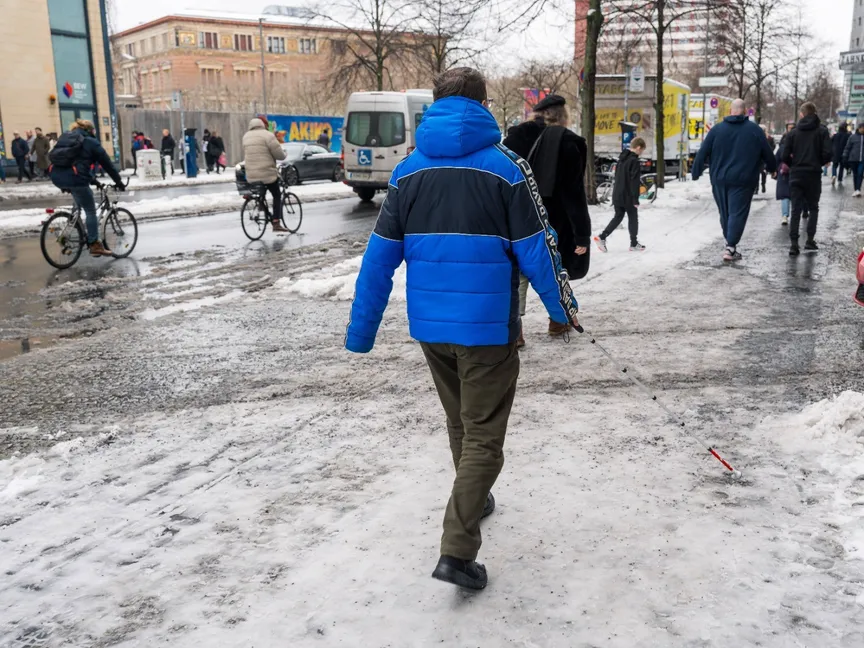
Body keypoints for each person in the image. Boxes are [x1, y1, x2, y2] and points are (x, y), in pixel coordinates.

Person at [345, 67, 580, 591]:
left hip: (432, 328)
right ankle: (457, 550)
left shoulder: (407, 172)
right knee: (484, 437)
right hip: (488, 328)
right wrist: (562, 307)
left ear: (436, 104)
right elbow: (538, 248)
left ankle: (475, 497)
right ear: (483, 104)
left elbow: (378, 258)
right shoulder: (507, 168)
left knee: (460, 420)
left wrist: (362, 329)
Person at [503, 95, 591, 344]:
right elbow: (574, 194)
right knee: (554, 270)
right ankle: (559, 320)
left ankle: (515, 332)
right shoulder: (569, 143)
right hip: (553, 221)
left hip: (516, 217)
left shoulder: (513, 139)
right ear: (563, 116)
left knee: (517, 273)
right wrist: (581, 234)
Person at [692, 98, 777, 262]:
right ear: (745, 111)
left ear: (730, 111)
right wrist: (773, 168)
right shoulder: (754, 130)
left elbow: (703, 152)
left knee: (725, 212)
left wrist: (696, 172)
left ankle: (730, 244)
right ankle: (730, 246)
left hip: (719, 179)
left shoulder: (717, 130)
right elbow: (767, 153)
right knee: (737, 213)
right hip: (743, 179)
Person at [49, 118, 125, 257]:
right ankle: (94, 244)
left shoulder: (68, 139)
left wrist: (93, 180)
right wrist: (118, 181)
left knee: (78, 205)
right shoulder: (90, 142)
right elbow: (107, 164)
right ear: (90, 130)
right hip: (76, 179)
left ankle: (68, 234)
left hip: (59, 177)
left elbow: (79, 164)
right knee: (90, 210)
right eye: (93, 130)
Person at [782, 101, 832, 256]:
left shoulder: (793, 133)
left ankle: (794, 244)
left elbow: (784, 155)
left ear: (802, 114)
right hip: (813, 174)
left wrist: (793, 164)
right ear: (815, 113)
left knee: (795, 209)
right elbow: (828, 153)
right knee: (813, 208)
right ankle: (810, 240)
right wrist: (818, 162)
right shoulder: (822, 131)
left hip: (796, 174)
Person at [595, 137, 647, 252]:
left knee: (618, 216)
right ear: (638, 148)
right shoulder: (634, 161)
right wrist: (635, 199)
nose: (641, 153)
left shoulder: (621, 159)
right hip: (628, 196)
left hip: (617, 194)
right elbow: (634, 181)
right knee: (633, 217)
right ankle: (633, 244)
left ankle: (602, 237)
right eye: (642, 150)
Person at [242, 117, 288, 232]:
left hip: (251, 174)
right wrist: (284, 154)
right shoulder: (268, 135)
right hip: (267, 173)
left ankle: (261, 205)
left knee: (261, 192)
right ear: (264, 125)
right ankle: (276, 222)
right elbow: (279, 155)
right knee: (276, 194)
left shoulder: (246, 136)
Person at [842, 121, 864, 197]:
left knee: (860, 174)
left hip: (862, 160)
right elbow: (847, 147)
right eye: (862, 128)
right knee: (855, 174)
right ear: (859, 128)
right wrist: (845, 156)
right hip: (853, 159)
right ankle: (855, 189)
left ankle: (858, 190)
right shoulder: (852, 137)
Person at [757, 126, 775, 194]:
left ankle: (763, 185)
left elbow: (773, 146)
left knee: (763, 172)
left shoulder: (769, 138)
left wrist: (769, 151)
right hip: (758, 158)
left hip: (764, 158)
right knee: (757, 173)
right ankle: (757, 187)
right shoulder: (757, 136)